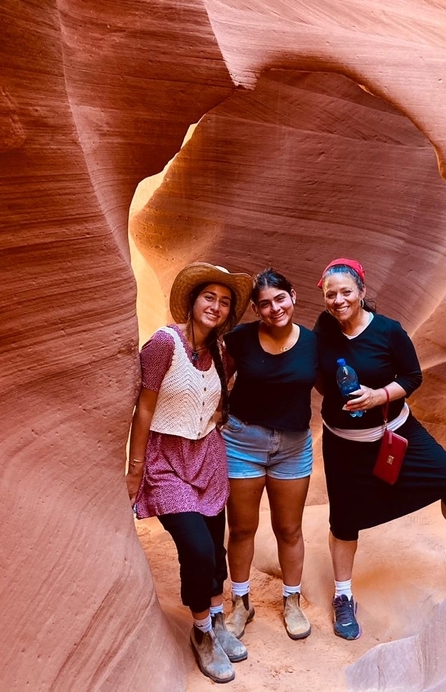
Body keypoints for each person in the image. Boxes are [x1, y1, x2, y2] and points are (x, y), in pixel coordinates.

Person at [313, 258, 446, 641]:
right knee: (344, 521)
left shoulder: (389, 332)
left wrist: (377, 396)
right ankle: (343, 596)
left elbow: (412, 376)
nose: (339, 300)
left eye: (346, 292)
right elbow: (319, 376)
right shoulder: (323, 329)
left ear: (362, 293)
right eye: (331, 294)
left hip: (395, 430)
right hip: (344, 444)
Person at [125, 262, 253, 684]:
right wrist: (135, 469)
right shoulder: (164, 343)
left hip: (209, 458)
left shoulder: (221, 350)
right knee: (196, 550)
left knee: (214, 549)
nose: (216, 307)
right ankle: (201, 632)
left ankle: (216, 621)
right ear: (193, 301)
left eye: (225, 301)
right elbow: (144, 406)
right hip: (166, 462)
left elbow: (215, 395)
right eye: (209, 297)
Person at [220, 269, 318, 641]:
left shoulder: (313, 343)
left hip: (293, 447)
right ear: (257, 310)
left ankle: (291, 601)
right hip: (244, 442)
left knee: (289, 529)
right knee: (243, 528)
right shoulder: (240, 340)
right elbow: (218, 380)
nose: (274, 308)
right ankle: (241, 603)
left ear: (293, 296)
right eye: (265, 304)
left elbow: (331, 382)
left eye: (280, 299)